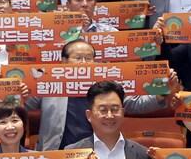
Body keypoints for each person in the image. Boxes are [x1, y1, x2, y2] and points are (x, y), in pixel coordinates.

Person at [27, 39, 175, 151]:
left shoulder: (105, 84)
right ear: (64, 61)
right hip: (57, 152)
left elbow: (133, 104)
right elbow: (25, 105)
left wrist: (161, 94)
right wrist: (19, 94)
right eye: (78, 58)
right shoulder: (49, 83)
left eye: (89, 58)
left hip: (99, 150)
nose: (84, 63)